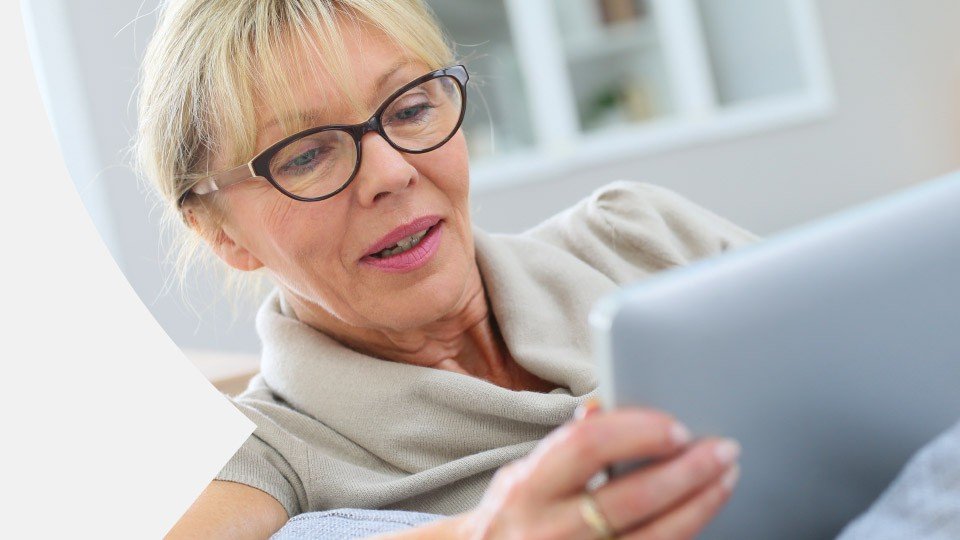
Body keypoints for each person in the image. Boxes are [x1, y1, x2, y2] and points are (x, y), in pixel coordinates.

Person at [137, 1, 753, 538]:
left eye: (408, 109)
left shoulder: (639, 236)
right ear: (220, 233)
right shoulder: (262, 450)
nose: (391, 173)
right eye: (306, 155)